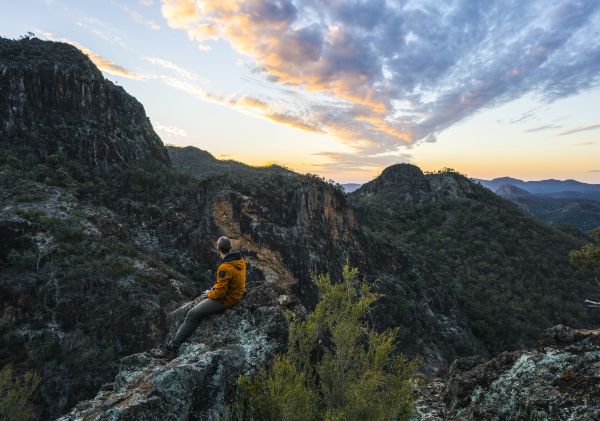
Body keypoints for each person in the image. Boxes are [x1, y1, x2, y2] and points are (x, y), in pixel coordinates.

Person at [152, 236, 246, 359]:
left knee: (192, 314)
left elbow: (219, 294)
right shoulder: (239, 260)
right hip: (236, 294)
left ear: (218, 249)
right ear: (230, 248)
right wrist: (214, 289)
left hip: (227, 300)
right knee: (200, 302)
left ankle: (172, 347)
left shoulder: (224, 268)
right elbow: (228, 283)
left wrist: (209, 294)